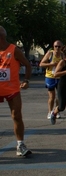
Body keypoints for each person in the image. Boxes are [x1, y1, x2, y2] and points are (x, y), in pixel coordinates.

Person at [0, 26, 32, 156]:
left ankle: (20, 144)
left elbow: (27, 65)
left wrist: (26, 80)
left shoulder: (14, 50)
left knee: (16, 116)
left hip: (12, 89)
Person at [39, 40, 63, 119]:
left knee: (59, 96)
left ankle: (56, 111)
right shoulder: (50, 54)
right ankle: (50, 112)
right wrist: (51, 64)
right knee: (52, 97)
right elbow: (41, 64)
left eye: (59, 46)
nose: (57, 48)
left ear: (61, 47)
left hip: (60, 77)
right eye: (56, 46)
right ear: (53, 47)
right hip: (50, 77)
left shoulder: (62, 55)